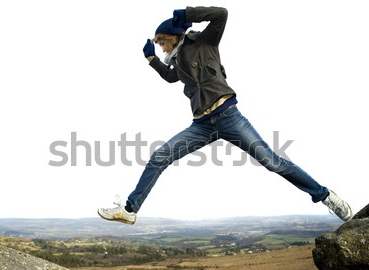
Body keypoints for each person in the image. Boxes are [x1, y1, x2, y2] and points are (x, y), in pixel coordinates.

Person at [97, 6, 352, 225]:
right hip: (202, 125)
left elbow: (221, 14)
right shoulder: (177, 59)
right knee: (160, 156)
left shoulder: (205, 41)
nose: (161, 47)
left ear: (172, 36)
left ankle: (326, 195)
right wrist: (152, 60)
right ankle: (130, 211)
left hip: (229, 116)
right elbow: (171, 77)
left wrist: (189, 13)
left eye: (161, 42)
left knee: (273, 162)